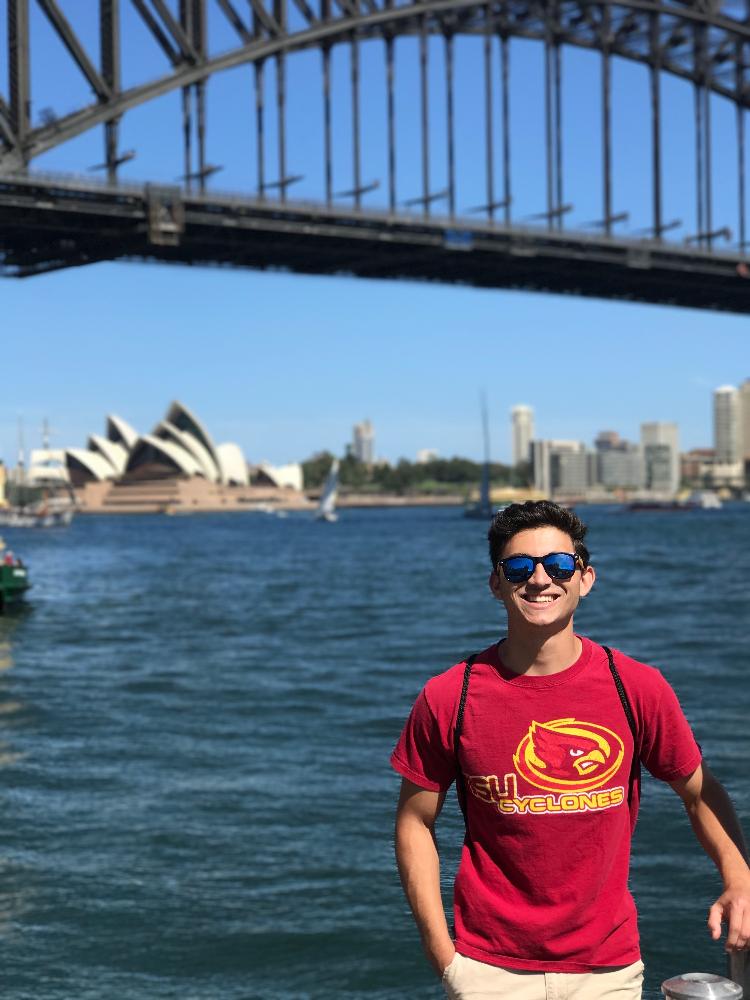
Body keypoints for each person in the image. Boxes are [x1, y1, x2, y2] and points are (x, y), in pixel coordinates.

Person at [391, 500, 750, 1000]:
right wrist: (444, 956)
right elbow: (414, 821)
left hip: (607, 968)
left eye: (559, 565)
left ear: (585, 579)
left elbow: (697, 791)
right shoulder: (451, 694)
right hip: (487, 968)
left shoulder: (635, 686)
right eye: (519, 566)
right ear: (496, 584)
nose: (540, 579)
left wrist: (740, 879)